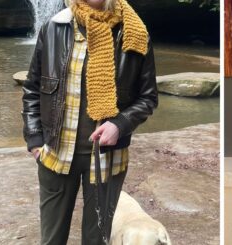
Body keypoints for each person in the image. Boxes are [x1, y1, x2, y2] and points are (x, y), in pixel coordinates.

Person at [21, 0, 157, 243]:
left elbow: (148, 97)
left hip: (108, 161)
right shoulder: (53, 28)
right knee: (52, 239)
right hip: (55, 155)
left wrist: (121, 124)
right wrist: (34, 141)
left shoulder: (135, 33)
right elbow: (32, 90)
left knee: (96, 240)